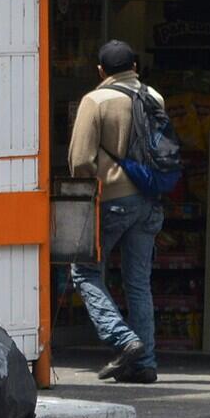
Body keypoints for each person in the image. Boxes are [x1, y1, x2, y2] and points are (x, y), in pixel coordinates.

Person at [69, 39, 164, 384]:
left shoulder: (95, 100)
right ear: (135, 67)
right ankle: (145, 363)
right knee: (139, 283)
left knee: (84, 271)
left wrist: (88, 189)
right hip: (150, 201)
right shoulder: (154, 98)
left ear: (101, 71)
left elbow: (80, 160)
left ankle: (124, 340)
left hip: (112, 199)